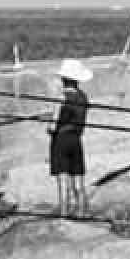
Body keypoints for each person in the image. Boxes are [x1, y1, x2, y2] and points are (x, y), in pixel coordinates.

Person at [49, 58, 92, 218]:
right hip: (76, 140)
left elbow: (53, 126)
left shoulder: (61, 98)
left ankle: (64, 215)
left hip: (61, 140)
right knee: (79, 181)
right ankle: (82, 213)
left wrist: (49, 126)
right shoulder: (83, 97)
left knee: (63, 180)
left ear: (63, 79)